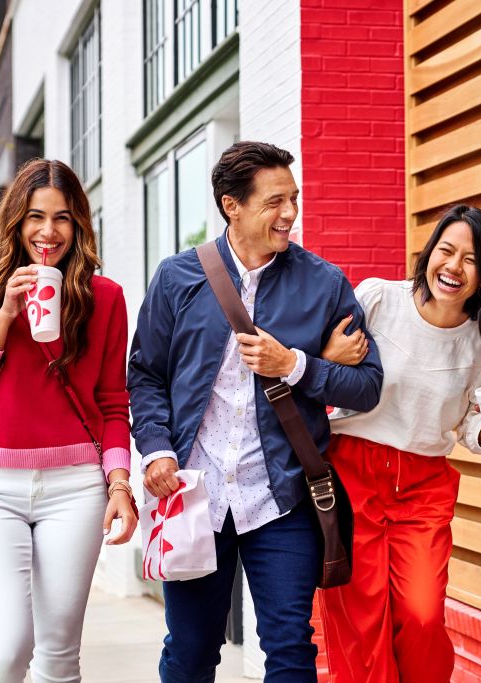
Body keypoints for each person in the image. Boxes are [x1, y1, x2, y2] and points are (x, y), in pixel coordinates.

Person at [127, 140, 384, 683]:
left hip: (282, 498)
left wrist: (296, 364)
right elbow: (146, 374)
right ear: (231, 205)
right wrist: (155, 449)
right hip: (194, 495)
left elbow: (367, 385)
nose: (289, 213)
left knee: (290, 648)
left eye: (293, 199)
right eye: (274, 202)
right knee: (192, 650)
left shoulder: (324, 284)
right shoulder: (178, 278)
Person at [0, 159, 137, 683]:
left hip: (75, 488)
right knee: (3, 650)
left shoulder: (106, 298)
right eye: (36, 216)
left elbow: (113, 402)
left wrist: (119, 483)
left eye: (64, 218)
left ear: (79, 225)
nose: (49, 231)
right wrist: (2, 316)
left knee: (58, 656)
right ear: (15, 221)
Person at [318, 204, 481, 683]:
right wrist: (327, 357)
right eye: (446, 251)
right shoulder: (376, 299)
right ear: (429, 253)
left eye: (470, 259)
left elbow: (475, 431)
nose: (453, 267)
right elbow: (323, 371)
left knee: (423, 616)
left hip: (423, 483)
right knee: (361, 620)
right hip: (352, 473)